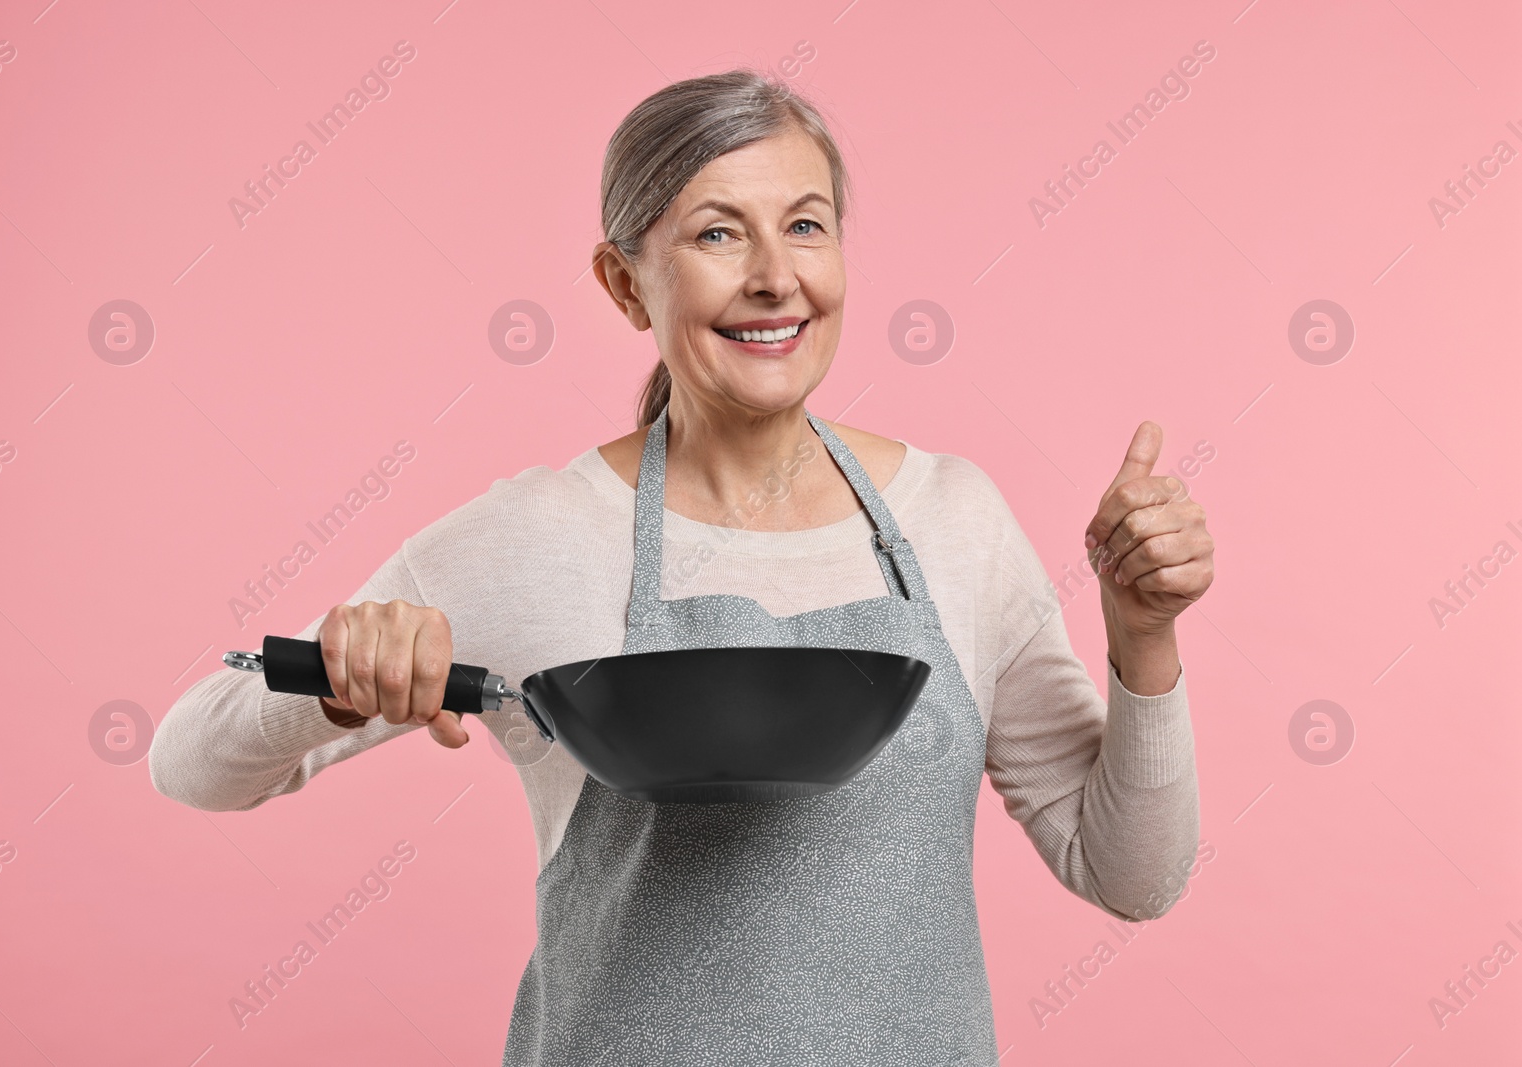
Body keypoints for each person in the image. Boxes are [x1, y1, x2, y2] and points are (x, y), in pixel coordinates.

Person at [151, 68, 1213, 1065]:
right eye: (717, 233)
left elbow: (1131, 874)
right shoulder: (536, 533)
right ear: (625, 284)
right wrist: (339, 683)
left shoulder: (954, 518)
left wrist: (1141, 632)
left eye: (805, 225)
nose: (774, 278)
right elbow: (187, 763)